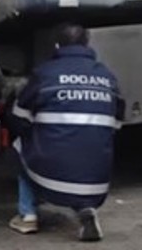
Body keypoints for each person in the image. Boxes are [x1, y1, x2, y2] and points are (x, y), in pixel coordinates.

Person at [7, 23, 125, 242]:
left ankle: (28, 215)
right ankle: (86, 210)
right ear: (87, 44)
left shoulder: (45, 73)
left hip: (51, 176)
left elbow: (19, 117)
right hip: (96, 184)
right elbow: (117, 124)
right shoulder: (107, 76)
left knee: (19, 144)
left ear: (57, 46)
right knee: (86, 142)